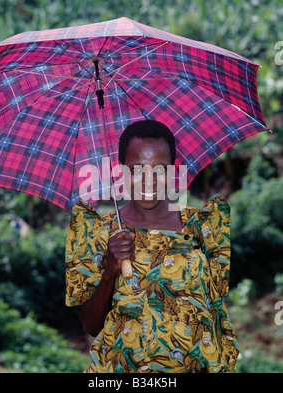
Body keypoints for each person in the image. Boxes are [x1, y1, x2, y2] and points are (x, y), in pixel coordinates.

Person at [65, 119, 239, 373]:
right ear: (121, 171)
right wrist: (110, 271)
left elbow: (214, 310)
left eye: (159, 169)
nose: (149, 180)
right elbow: (91, 326)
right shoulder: (97, 231)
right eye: (136, 169)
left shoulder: (203, 226)